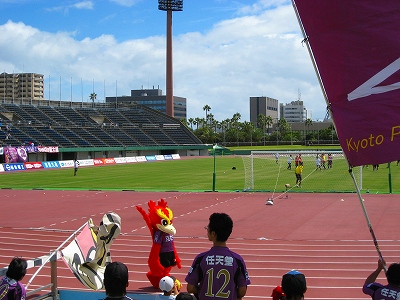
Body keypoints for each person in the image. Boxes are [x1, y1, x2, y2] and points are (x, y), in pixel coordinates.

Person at [185, 213, 250, 300]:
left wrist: (202, 290)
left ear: (213, 234)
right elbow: (242, 291)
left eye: (208, 229)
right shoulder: (237, 260)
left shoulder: (201, 259)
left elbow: (190, 288)